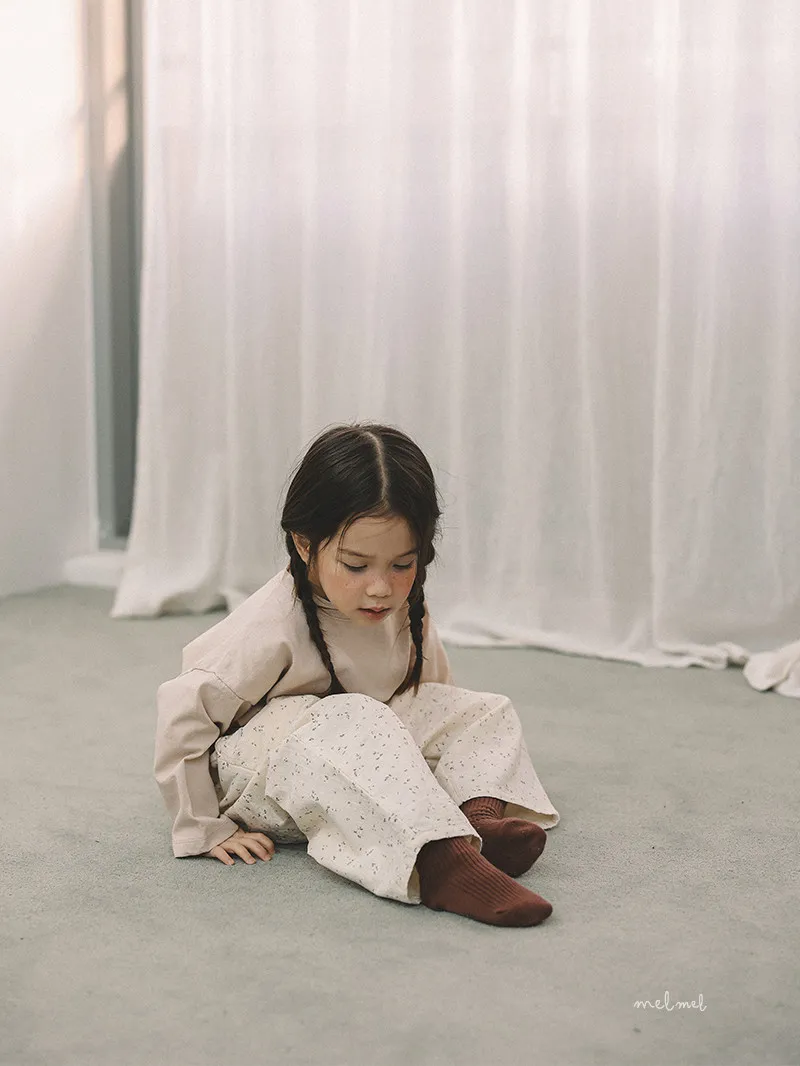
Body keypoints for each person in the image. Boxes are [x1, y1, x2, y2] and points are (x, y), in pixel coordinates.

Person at [154, 422, 560, 927]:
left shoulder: (402, 606)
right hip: (265, 779)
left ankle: (477, 819)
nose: (380, 588)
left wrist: (441, 758)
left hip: (365, 748)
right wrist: (203, 826)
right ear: (305, 545)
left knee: (483, 711)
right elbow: (184, 708)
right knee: (355, 714)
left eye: (402, 565)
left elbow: (430, 694)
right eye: (356, 566)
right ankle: (441, 860)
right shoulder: (271, 623)